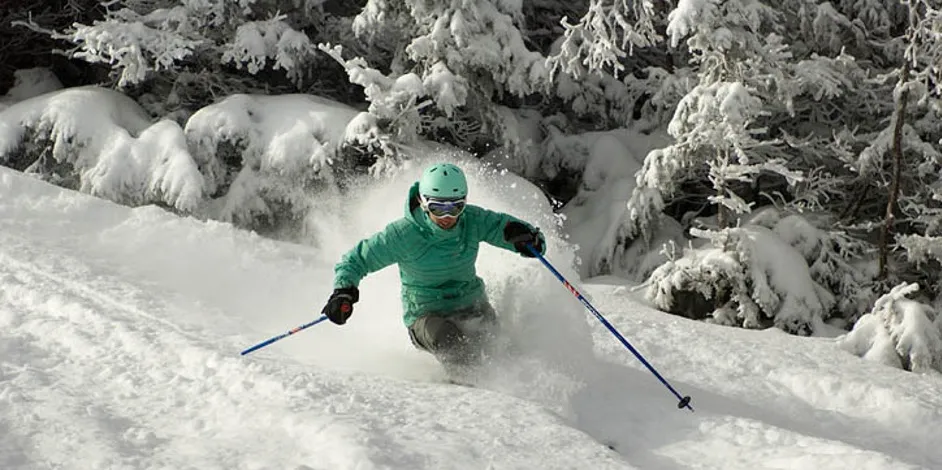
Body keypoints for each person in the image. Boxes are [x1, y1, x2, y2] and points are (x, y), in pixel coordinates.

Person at [321, 162, 545, 377]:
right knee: (449, 340)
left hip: (470, 304)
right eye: (438, 208)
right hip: (426, 316)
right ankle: (473, 396)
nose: (447, 217)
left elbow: (503, 228)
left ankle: (515, 395)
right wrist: (343, 291)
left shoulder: (472, 220)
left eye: (456, 207)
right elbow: (355, 260)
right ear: (423, 201)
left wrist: (531, 241)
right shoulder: (403, 235)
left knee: (497, 346)